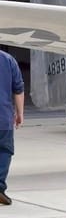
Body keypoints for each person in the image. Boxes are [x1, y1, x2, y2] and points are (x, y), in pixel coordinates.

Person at [0, 48, 24, 206]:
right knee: (4, 151)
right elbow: (18, 89)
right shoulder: (8, 59)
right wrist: (19, 113)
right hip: (3, 117)